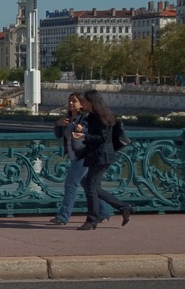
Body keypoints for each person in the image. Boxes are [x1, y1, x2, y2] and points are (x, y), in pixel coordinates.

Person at [73, 90, 133, 230]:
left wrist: (83, 136)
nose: (82, 103)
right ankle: (123, 207)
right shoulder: (94, 116)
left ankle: (92, 219)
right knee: (93, 186)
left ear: (91, 102)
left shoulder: (101, 117)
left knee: (91, 185)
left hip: (102, 155)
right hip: (97, 154)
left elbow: (102, 138)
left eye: (85, 101)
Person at [50, 92, 111, 225]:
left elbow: (92, 134)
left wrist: (82, 130)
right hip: (74, 156)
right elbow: (59, 135)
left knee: (71, 184)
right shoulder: (67, 118)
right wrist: (58, 124)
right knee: (88, 186)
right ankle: (104, 211)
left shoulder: (86, 117)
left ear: (81, 104)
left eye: (74, 101)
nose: (71, 103)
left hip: (84, 155)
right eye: (69, 100)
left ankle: (63, 216)